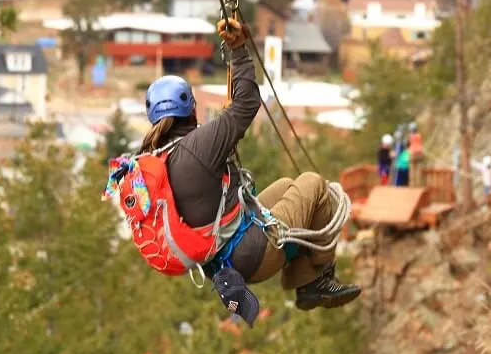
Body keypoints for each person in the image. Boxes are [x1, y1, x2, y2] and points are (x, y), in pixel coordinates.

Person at [103, 18, 360, 319]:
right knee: (315, 185)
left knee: (288, 186)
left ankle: (303, 278)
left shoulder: (153, 157)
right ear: (191, 108)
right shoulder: (198, 146)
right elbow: (247, 103)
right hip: (252, 253)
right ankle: (318, 278)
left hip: (226, 257)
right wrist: (238, 50)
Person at [408, 121, 424, 186]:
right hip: (420, 153)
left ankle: (412, 184)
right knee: (418, 169)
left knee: (412, 169)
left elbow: (408, 144)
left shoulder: (410, 136)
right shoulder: (419, 135)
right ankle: (418, 184)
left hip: (413, 153)